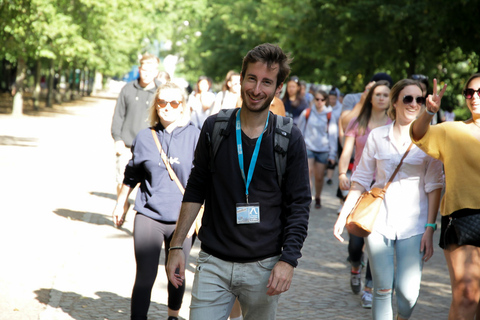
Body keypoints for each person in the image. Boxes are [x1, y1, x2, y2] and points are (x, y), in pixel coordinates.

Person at [166, 43, 311, 320]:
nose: (257, 89)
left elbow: (299, 204)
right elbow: (196, 189)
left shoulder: (288, 137)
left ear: (278, 88)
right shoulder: (214, 128)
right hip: (213, 262)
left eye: (267, 82)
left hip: (265, 266)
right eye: (252, 79)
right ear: (241, 80)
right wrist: (176, 245)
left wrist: (288, 260)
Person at [334, 79, 444, 320]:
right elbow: (361, 178)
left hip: (414, 225)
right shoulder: (377, 135)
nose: (414, 104)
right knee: (382, 289)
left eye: (419, 99)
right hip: (379, 221)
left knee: (408, 295)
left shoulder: (430, 137)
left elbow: (434, 185)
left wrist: (430, 227)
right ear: (395, 102)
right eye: (408, 98)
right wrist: (343, 215)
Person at [112, 82, 200, 320]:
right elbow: (132, 173)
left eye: (174, 103)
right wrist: (121, 202)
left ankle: (173, 316)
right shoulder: (145, 136)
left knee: (177, 274)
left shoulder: (196, 137)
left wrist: (198, 218)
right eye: (162, 102)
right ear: (156, 105)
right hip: (149, 215)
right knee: (145, 275)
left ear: (182, 107)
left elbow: (205, 181)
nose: (167, 107)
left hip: (183, 219)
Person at [411, 75, 480, 319]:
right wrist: (429, 113)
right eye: (469, 93)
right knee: (467, 297)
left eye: (479, 92)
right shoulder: (453, 131)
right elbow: (419, 135)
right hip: (463, 218)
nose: (474, 97)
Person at [337, 80, 392, 308]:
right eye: (377, 94)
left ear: (391, 99)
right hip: (359, 187)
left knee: (375, 241)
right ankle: (355, 266)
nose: (381, 98)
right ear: (370, 98)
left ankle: (369, 287)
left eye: (385, 95)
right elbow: (346, 151)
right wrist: (342, 173)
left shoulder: (394, 124)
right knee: (355, 243)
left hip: (382, 191)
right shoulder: (358, 123)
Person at [111, 53, 161, 227]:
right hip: (127, 144)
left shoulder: (160, 92)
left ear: (156, 72)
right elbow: (118, 115)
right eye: (143, 69)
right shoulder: (127, 89)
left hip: (151, 147)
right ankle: (122, 204)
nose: (146, 73)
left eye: (150, 70)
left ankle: (144, 218)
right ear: (139, 69)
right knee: (121, 181)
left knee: (147, 184)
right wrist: (117, 138)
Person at [297, 89, 338, 209]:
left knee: (319, 177)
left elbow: (333, 135)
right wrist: (299, 147)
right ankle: (308, 197)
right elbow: (299, 131)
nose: (319, 101)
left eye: (322, 99)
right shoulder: (307, 113)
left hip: (323, 149)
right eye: (317, 99)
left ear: (326, 101)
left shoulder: (330, 115)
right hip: (308, 147)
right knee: (307, 173)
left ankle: (318, 196)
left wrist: (332, 154)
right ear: (314, 99)